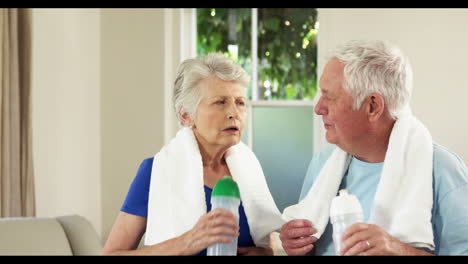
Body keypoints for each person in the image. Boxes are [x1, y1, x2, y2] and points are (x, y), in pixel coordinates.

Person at [279, 40, 468, 256]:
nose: (318, 108)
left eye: (329, 97)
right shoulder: (322, 164)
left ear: (373, 106)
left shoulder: (442, 170)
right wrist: (293, 245)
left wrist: (400, 250)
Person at [102, 53, 284, 256]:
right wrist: (185, 243)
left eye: (240, 102)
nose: (234, 113)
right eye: (220, 102)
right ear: (186, 115)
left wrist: (266, 253)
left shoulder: (249, 170)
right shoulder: (155, 172)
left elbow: (269, 241)